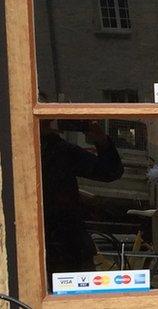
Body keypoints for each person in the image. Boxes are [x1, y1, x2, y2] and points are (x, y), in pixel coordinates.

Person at [40, 118, 124, 275]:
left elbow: (110, 171)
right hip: (66, 242)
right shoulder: (58, 150)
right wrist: (101, 140)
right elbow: (110, 170)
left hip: (63, 242)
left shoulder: (58, 150)